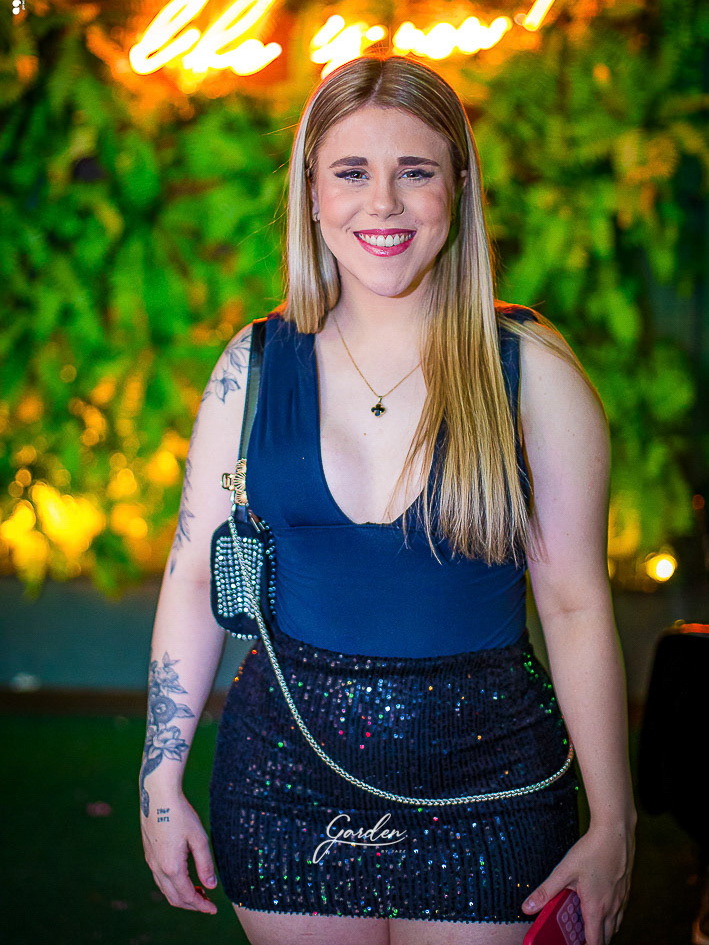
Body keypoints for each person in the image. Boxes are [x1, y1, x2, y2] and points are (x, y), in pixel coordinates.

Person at [139, 54, 637, 945]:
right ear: (312, 194)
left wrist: (615, 822)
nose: (383, 204)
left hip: (495, 789)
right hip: (284, 784)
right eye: (351, 173)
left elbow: (574, 603)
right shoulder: (251, 367)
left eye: (414, 171)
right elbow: (192, 578)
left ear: (459, 186)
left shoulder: (532, 369)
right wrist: (158, 783)